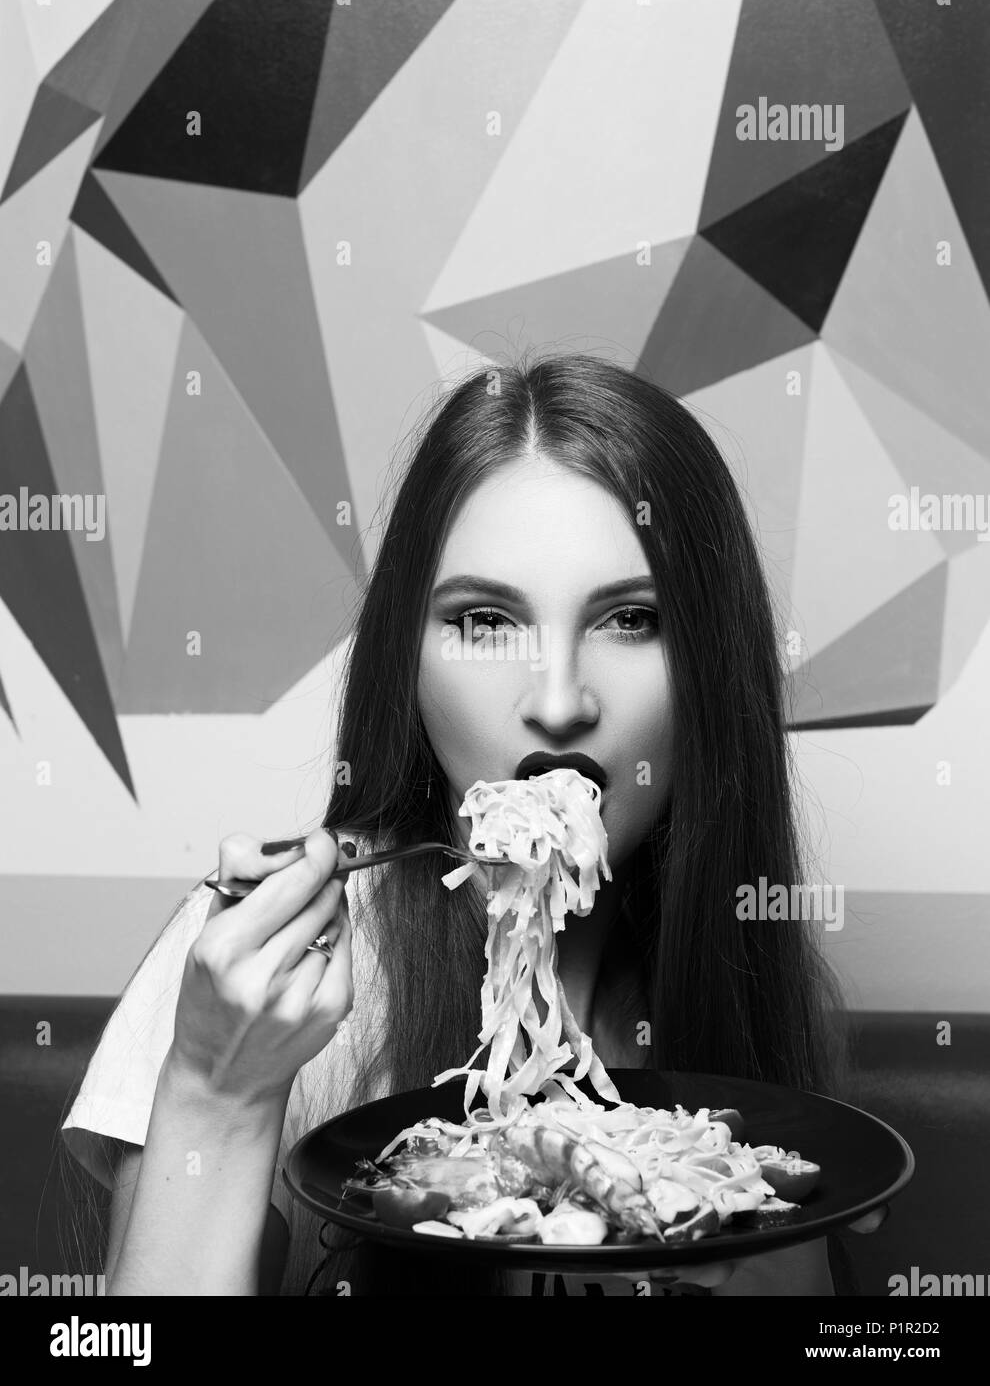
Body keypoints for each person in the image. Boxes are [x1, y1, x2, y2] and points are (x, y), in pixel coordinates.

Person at [61, 352, 883, 1296]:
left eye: (633, 620)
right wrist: (214, 1091)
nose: (560, 700)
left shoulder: (754, 974)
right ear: (405, 660)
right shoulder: (272, 972)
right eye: (486, 619)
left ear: (712, 667)